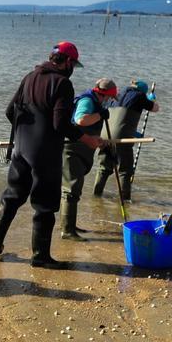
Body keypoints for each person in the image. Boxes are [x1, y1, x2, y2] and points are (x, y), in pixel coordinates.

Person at [0, 42, 106, 268]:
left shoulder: (29, 77)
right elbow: (61, 124)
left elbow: (9, 111)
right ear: (68, 62)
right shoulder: (62, 83)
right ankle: (40, 257)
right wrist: (87, 139)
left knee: (12, 197)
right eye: (74, 65)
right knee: (44, 206)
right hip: (44, 154)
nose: (73, 70)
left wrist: (25, 133)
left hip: (20, 150)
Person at [60, 78, 117, 241]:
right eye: (110, 98)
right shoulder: (87, 101)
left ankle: (71, 225)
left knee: (75, 188)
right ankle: (67, 231)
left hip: (81, 149)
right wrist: (100, 115)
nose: (110, 102)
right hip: (72, 149)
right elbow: (81, 120)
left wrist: (99, 140)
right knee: (71, 189)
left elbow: (88, 130)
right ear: (104, 95)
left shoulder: (96, 102)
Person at [93, 79, 159, 201]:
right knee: (125, 170)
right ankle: (125, 200)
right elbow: (155, 109)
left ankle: (96, 195)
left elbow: (118, 120)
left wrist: (133, 133)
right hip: (122, 140)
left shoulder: (116, 95)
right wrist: (151, 100)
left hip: (104, 135)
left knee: (104, 168)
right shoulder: (139, 95)